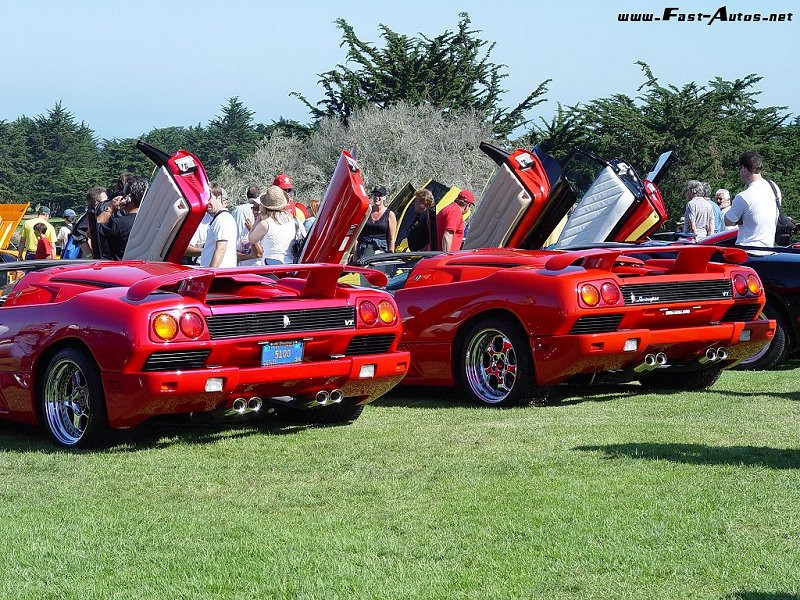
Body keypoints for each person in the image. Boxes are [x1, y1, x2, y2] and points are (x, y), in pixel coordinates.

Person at [725, 151, 781, 248]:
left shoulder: (743, 196)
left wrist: (740, 219)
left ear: (744, 169)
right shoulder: (774, 187)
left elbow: (728, 221)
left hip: (748, 251)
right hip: (768, 249)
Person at [96, 175, 148, 260]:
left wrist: (111, 208)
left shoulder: (118, 224)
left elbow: (93, 232)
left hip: (120, 270)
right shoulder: (153, 222)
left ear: (128, 198)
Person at [248, 185, 298, 265]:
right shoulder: (293, 221)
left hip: (271, 268)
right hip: (290, 266)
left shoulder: (265, 224)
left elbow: (252, 239)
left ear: (265, 205)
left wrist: (259, 217)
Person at [198, 185, 238, 268]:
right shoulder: (220, 218)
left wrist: (210, 274)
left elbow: (221, 249)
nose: (207, 202)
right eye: (204, 198)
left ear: (219, 198)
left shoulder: (222, 218)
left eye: (210, 198)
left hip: (218, 276)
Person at [355, 185, 397, 261]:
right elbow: (356, 235)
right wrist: (355, 254)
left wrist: (391, 256)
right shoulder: (366, 212)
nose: (377, 197)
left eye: (379, 195)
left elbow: (391, 239)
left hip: (381, 251)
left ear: (384, 197)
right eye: (375, 195)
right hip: (364, 250)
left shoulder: (390, 215)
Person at [232, 184, 262, 266]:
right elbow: (236, 254)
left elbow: (259, 253)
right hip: (243, 269)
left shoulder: (264, 226)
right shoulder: (249, 226)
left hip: (258, 270)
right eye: (254, 208)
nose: (255, 212)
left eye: (257, 208)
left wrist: (251, 230)